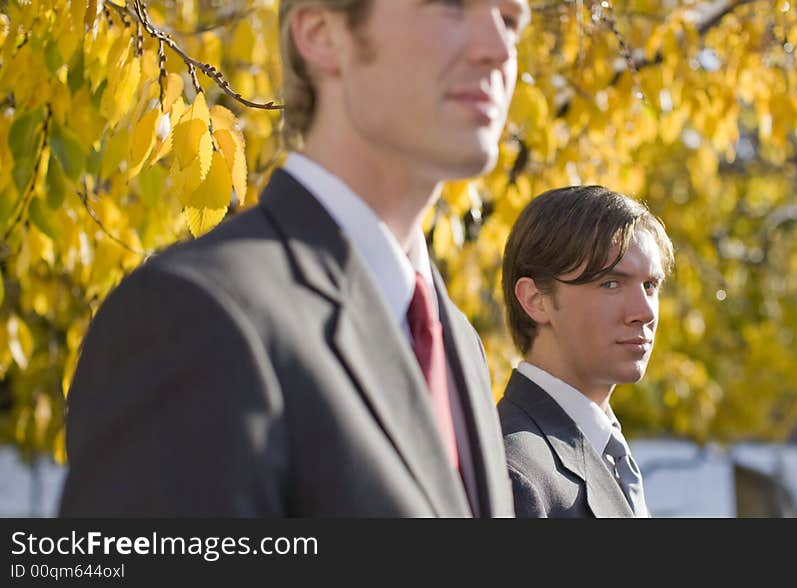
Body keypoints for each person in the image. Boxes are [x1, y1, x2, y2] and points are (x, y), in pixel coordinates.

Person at [60, 0, 531, 517]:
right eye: (450, 7)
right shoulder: (193, 317)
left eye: (510, 19)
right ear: (321, 34)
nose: (499, 49)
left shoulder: (457, 342)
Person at [497, 185, 674, 518]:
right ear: (536, 300)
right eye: (611, 283)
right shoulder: (515, 473)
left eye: (650, 285)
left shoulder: (608, 452)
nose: (645, 311)